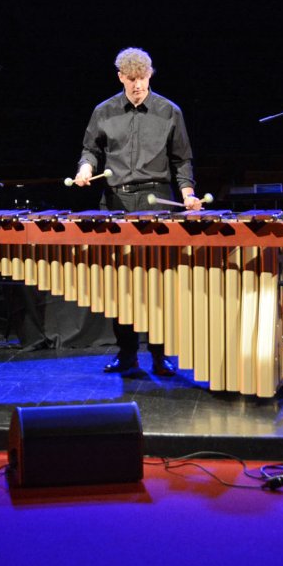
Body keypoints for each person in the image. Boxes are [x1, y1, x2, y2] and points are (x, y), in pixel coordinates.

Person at [73, 47, 202, 375]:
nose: (137, 85)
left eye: (142, 78)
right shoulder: (103, 111)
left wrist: (188, 193)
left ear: (150, 75)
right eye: (131, 79)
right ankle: (127, 353)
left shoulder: (169, 111)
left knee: (160, 282)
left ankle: (161, 355)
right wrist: (86, 168)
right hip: (116, 202)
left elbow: (182, 159)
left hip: (156, 201)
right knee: (121, 284)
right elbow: (90, 149)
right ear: (121, 77)